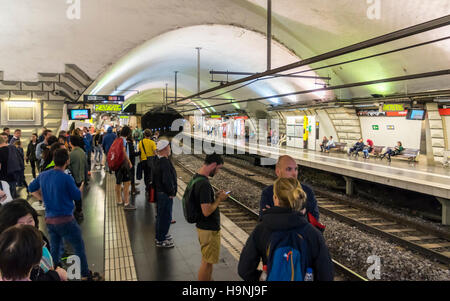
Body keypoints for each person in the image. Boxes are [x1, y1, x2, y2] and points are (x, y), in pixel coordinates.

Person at [238, 178, 334, 281]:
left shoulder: (261, 229)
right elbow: (326, 275)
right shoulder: (313, 233)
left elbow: (244, 270)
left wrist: (266, 277)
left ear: (275, 198)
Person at [29, 148, 102, 281]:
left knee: (55, 249)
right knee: (78, 246)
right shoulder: (66, 177)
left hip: (50, 220)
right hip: (66, 220)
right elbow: (76, 196)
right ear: (67, 161)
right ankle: (85, 274)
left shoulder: (44, 175)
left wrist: (42, 198)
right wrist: (80, 187)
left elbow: (31, 188)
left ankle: (55, 273)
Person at [0, 199, 67, 281]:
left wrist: (57, 268)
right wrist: (56, 275)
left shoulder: (39, 236)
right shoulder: (13, 251)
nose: (27, 226)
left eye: (30, 220)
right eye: (20, 224)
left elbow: (50, 256)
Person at [189, 154, 228, 281]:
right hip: (208, 229)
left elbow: (202, 201)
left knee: (207, 260)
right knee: (206, 263)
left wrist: (214, 196)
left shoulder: (197, 177)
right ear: (213, 165)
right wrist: (219, 200)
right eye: (218, 168)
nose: (218, 171)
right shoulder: (204, 184)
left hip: (204, 227)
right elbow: (206, 211)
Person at [259, 155, 320, 224]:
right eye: (289, 169)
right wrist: (300, 215)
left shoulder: (307, 191)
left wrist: (274, 213)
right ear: (278, 172)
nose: (294, 173)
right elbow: (263, 220)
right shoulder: (268, 192)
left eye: (296, 169)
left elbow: (314, 219)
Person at [152, 139, 177, 248]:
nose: (170, 149)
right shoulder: (165, 162)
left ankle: (161, 235)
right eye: (169, 147)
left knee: (162, 216)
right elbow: (167, 180)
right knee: (165, 216)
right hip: (165, 194)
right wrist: (171, 192)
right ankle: (160, 240)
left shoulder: (158, 160)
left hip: (160, 193)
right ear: (165, 149)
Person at [114, 126, 135, 210]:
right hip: (124, 164)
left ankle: (119, 201)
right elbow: (123, 151)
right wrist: (129, 162)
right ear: (128, 133)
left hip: (118, 164)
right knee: (127, 183)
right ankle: (127, 203)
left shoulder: (117, 139)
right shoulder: (123, 140)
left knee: (118, 182)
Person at [68, 135, 87, 221]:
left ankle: (77, 212)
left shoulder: (71, 154)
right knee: (79, 194)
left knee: (76, 195)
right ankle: (79, 211)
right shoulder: (82, 151)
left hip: (74, 177)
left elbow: (67, 166)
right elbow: (86, 165)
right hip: (81, 176)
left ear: (71, 143)